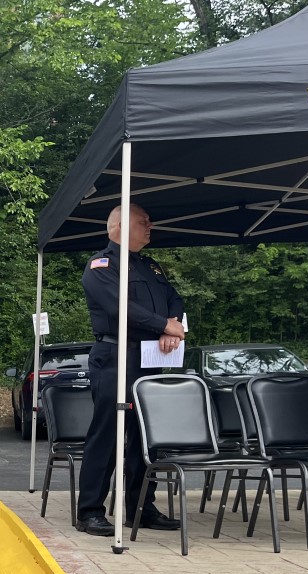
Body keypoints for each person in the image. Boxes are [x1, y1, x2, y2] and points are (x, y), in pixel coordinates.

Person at [75, 204, 186, 537]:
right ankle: (90, 511)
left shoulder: (150, 266)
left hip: (151, 357)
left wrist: (170, 325)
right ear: (119, 226)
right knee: (108, 433)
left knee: (146, 435)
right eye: (143, 222)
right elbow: (119, 307)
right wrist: (162, 325)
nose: (150, 226)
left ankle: (141, 507)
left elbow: (175, 299)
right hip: (116, 356)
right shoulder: (101, 266)